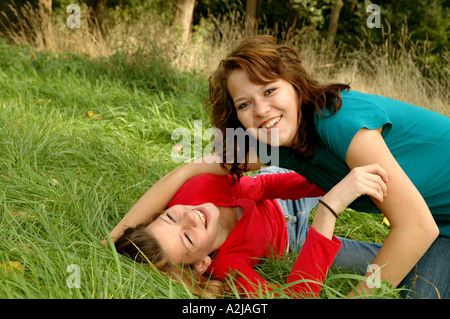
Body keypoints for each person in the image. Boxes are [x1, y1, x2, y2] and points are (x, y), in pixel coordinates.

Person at [109, 35, 449, 298]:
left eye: (270, 90)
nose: (260, 110)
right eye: (245, 104)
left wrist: (111, 239)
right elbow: (187, 174)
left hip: (427, 223)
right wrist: (116, 243)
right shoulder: (271, 140)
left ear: (295, 85)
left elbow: (417, 228)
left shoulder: (340, 123)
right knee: (416, 282)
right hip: (439, 222)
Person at [113, 165, 387, 298]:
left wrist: (328, 181)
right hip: (294, 241)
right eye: (187, 236)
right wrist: (330, 206)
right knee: (385, 261)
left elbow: (267, 187)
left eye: (171, 216)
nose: (189, 217)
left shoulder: (199, 188)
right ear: (201, 263)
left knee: (345, 168)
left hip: (277, 194)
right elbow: (297, 295)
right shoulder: (229, 269)